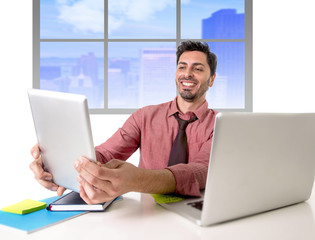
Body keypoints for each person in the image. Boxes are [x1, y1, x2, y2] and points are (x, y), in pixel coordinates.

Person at [30, 41, 218, 204]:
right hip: (146, 212)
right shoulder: (145, 116)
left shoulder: (219, 125)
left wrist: (137, 180)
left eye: (198, 68)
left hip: (198, 212)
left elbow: (201, 171)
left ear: (211, 80)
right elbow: (106, 153)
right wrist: (60, 162)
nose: (187, 74)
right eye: (182, 66)